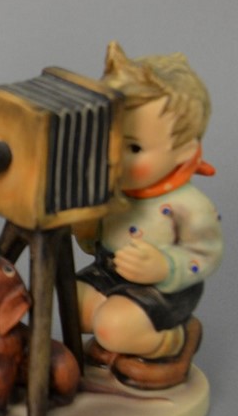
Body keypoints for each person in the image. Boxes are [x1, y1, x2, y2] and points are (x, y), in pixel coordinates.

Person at [76, 43, 222, 390]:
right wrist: (84, 225)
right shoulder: (112, 189)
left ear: (184, 151)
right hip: (109, 271)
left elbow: (206, 255)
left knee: (111, 326)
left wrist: (164, 267)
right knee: (68, 303)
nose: (115, 159)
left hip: (161, 290)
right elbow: (92, 242)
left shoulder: (189, 205)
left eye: (134, 148)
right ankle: (122, 337)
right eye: (108, 141)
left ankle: (175, 339)